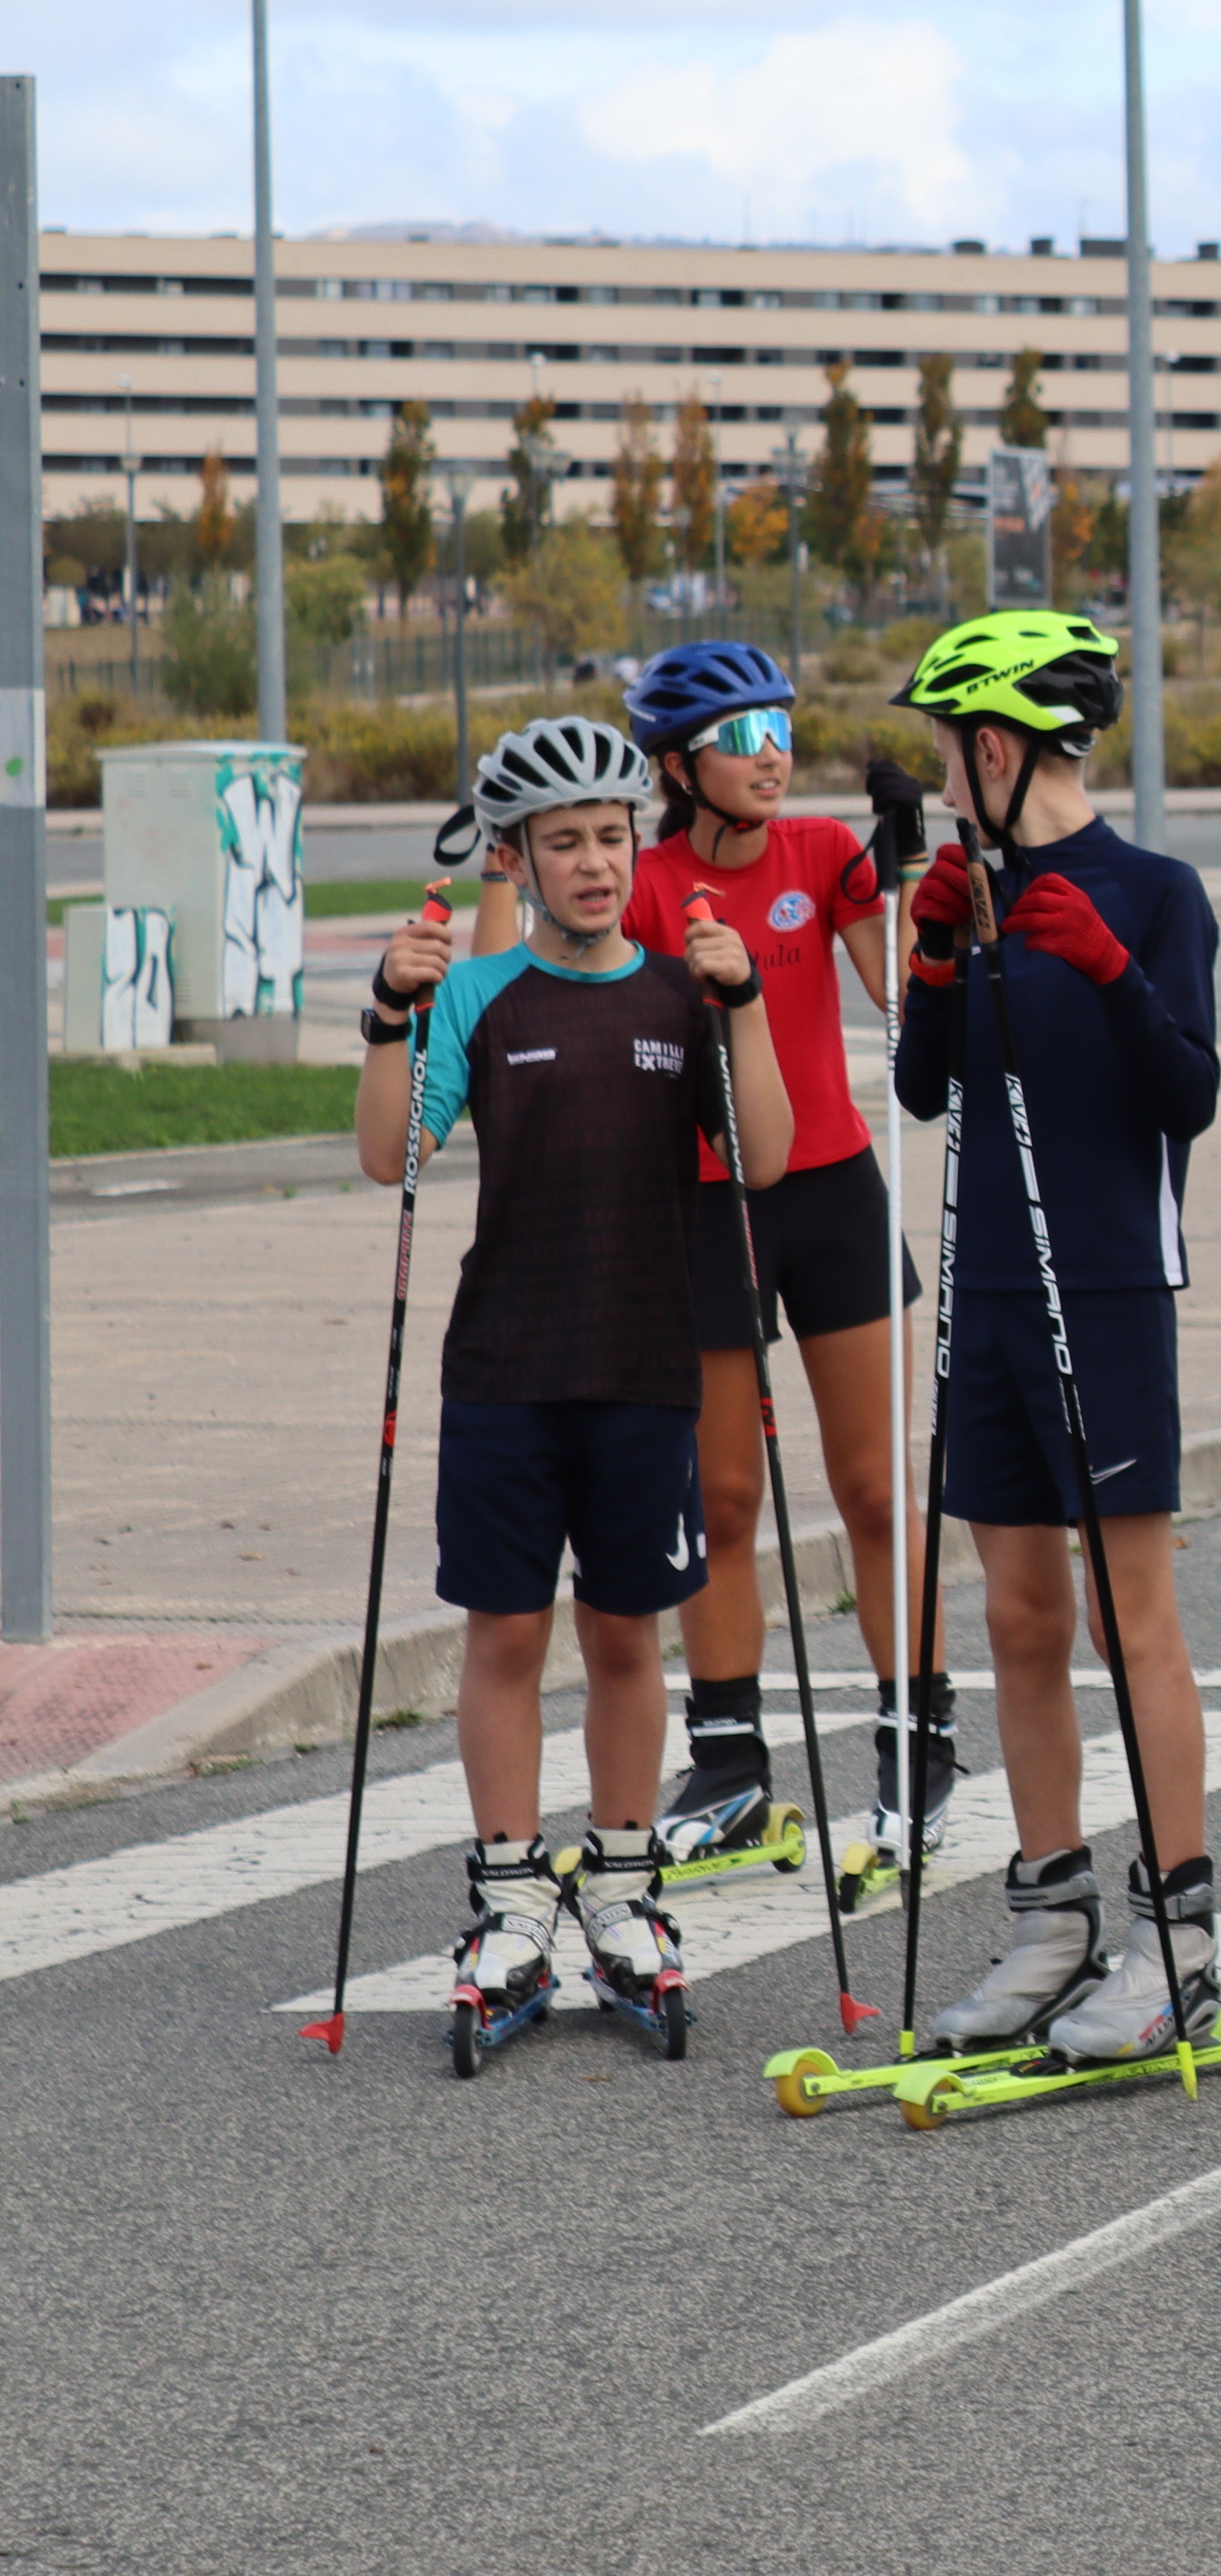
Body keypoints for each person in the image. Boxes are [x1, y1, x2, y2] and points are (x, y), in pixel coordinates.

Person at [357, 719, 791, 2047]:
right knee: (505, 1636)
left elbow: (765, 1156)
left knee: (625, 1635)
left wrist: (744, 1002)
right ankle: (507, 1900)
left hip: (646, 1369)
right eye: (565, 843)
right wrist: (387, 1016)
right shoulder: (483, 994)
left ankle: (620, 1889)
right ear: (518, 858)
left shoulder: (678, 992)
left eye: (612, 836)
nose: (596, 863)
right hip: (507, 1368)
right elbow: (392, 1155)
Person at [887, 611, 1221, 2066]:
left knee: (1126, 1616)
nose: (939, 779)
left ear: (998, 746)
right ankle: (1053, 1923)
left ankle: (1177, 1938)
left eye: (946, 751)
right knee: (1018, 1617)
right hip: (987, 1295)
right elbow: (923, 1090)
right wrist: (930, 959)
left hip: (1107, 1288)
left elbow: (1188, 1090)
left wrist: (1105, 967)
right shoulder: (971, 894)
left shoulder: (1154, 892)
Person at [601, 641, 935, 1892]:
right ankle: (731, 1765)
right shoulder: (647, 885)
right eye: (742, 739)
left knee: (873, 1488)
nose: (772, 756)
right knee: (727, 1502)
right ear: (679, 769)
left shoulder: (823, 854)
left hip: (835, 1189)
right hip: (701, 1203)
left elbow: (904, 1004)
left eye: (781, 731)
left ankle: (919, 1737)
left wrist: (907, 877)